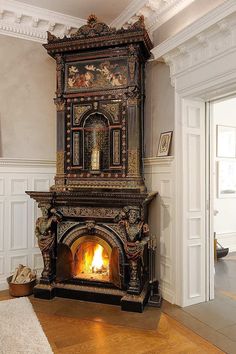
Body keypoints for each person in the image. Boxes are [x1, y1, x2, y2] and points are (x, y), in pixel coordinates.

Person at [35, 204, 61, 279]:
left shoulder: (52, 219)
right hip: (42, 241)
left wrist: (55, 212)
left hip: (50, 240)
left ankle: (49, 270)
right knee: (45, 255)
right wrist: (39, 236)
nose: (44, 212)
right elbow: (36, 230)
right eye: (43, 211)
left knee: (50, 255)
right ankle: (47, 269)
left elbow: (60, 219)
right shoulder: (39, 220)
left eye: (46, 211)